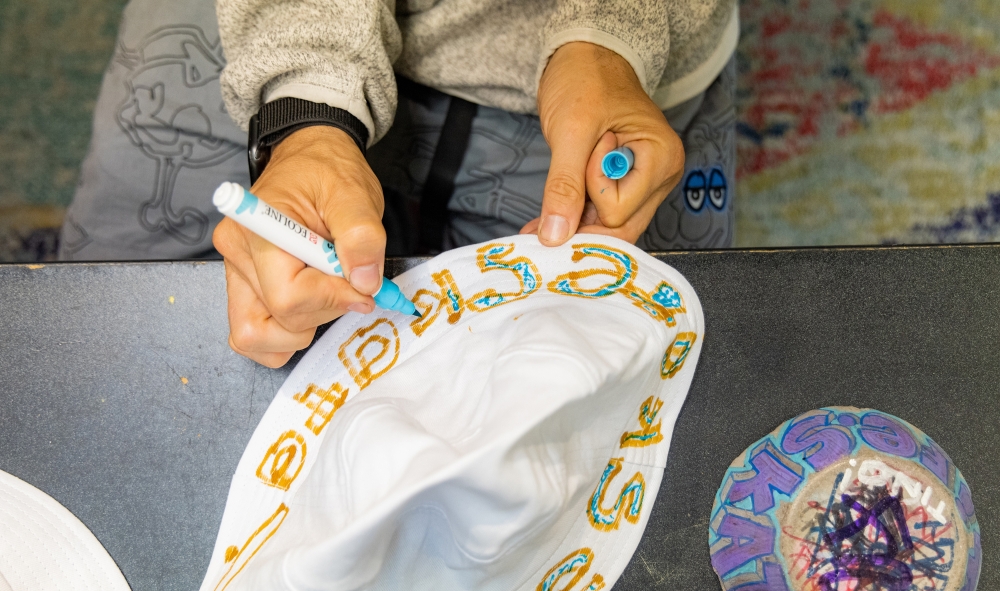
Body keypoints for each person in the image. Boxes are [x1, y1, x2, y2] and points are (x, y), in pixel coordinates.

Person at [61, 0, 739, 367]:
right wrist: (304, 110)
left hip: (635, 57)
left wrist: (611, 36)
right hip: (267, 26)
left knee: (627, 359)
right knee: (99, 339)